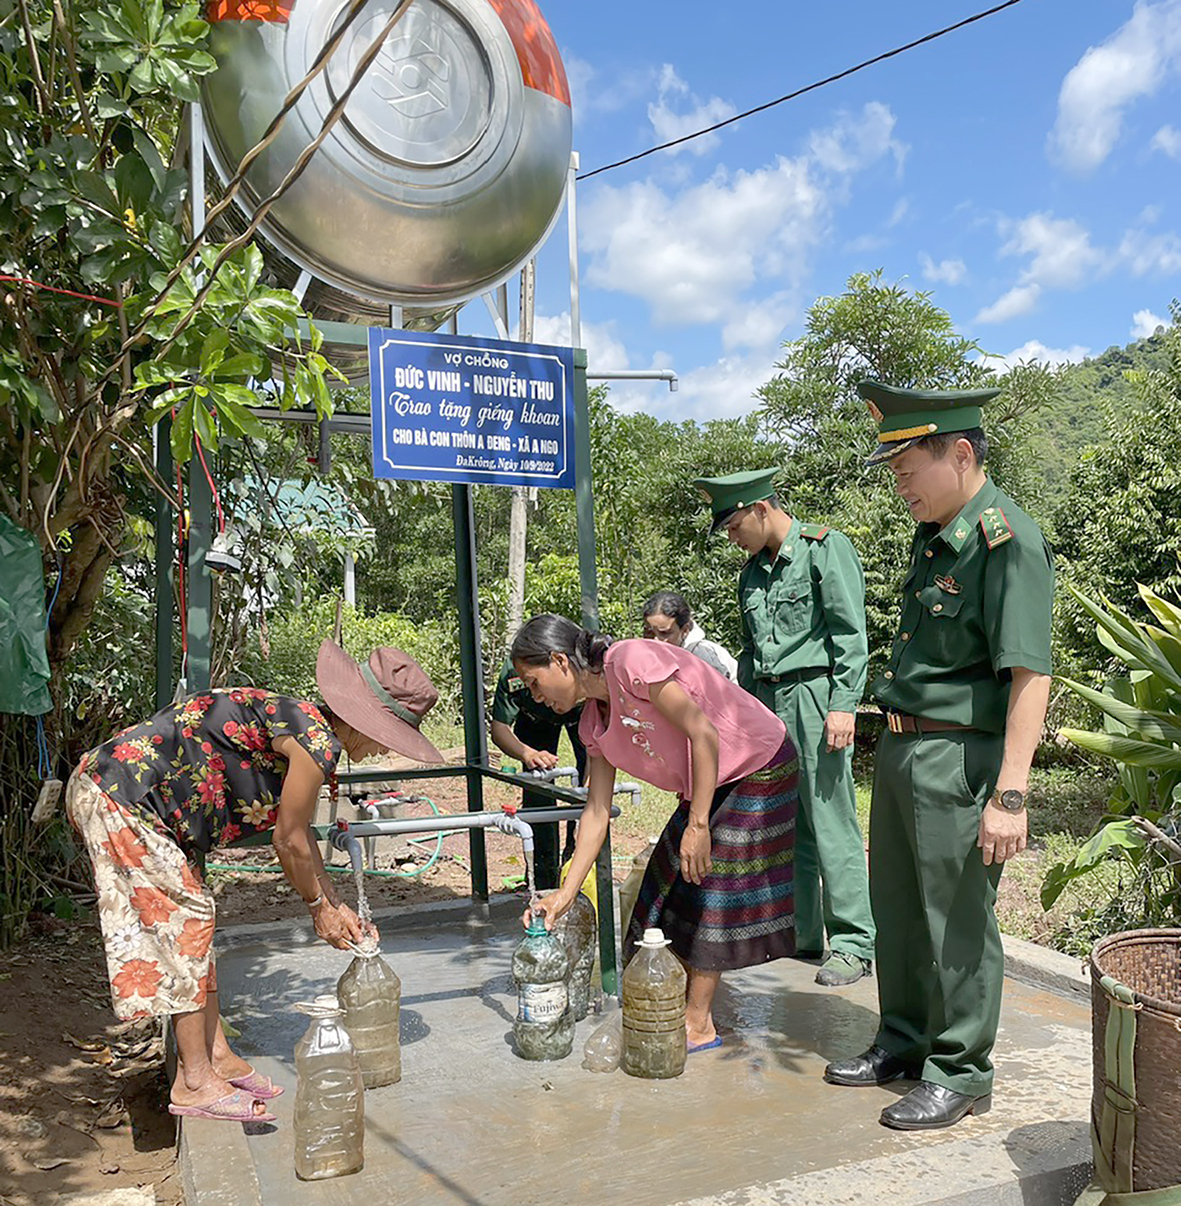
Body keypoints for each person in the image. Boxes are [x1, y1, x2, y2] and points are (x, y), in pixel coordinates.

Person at [65, 640, 444, 1124]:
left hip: (141, 803)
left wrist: (335, 902)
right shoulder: (317, 741)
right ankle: (195, 1080)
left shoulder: (303, 723)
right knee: (188, 920)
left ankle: (215, 1055)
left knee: (196, 928)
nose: (383, 748)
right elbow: (287, 842)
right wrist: (317, 909)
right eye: (389, 734)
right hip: (122, 795)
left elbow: (300, 830)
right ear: (365, 717)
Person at [823, 380, 1053, 1131]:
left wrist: (1009, 794)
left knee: (955, 921)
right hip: (899, 746)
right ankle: (904, 1040)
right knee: (898, 908)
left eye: (905, 470)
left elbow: (1029, 675)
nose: (898, 486)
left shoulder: (1007, 541)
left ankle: (960, 1070)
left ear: (958, 452)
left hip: (957, 758)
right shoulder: (938, 535)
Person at [511, 613, 797, 1051]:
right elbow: (597, 812)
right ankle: (672, 1004)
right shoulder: (591, 724)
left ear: (560, 662)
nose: (535, 696)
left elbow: (703, 732)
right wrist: (563, 896)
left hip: (758, 761)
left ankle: (698, 1024)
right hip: (710, 781)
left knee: (709, 884)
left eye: (534, 682)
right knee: (662, 889)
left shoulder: (631, 661)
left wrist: (698, 824)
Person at [693, 468, 875, 988]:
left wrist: (844, 704)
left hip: (816, 697)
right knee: (789, 820)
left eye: (733, 527)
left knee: (830, 819)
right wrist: (744, 718)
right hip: (770, 703)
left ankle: (854, 943)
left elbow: (850, 633)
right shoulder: (750, 575)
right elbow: (750, 654)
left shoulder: (824, 549)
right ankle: (803, 932)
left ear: (760, 509)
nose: (732, 539)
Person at [489, 658, 587, 889]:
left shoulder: (584, 669)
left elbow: (597, 758)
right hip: (535, 721)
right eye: (529, 684)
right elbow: (499, 728)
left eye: (537, 684)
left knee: (587, 799)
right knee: (538, 791)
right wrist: (527, 754)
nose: (536, 694)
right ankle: (543, 882)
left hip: (580, 714)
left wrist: (590, 801)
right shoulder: (515, 671)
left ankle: (578, 874)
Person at [641, 590, 739, 681]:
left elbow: (721, 692)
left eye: (664, 633)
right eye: (649, 632)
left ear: (685, 630)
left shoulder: (701, 655)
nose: (655, 640)